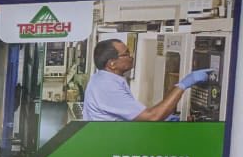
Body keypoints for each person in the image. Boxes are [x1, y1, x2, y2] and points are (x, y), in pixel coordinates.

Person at [82, 38, 215, 122]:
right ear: (112, 63)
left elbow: (137, 115)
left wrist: (166, 117)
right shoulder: (107, 86)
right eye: (126, 54)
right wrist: (184, 84)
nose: (131, 57)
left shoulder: (104, 79)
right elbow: (152, 117)